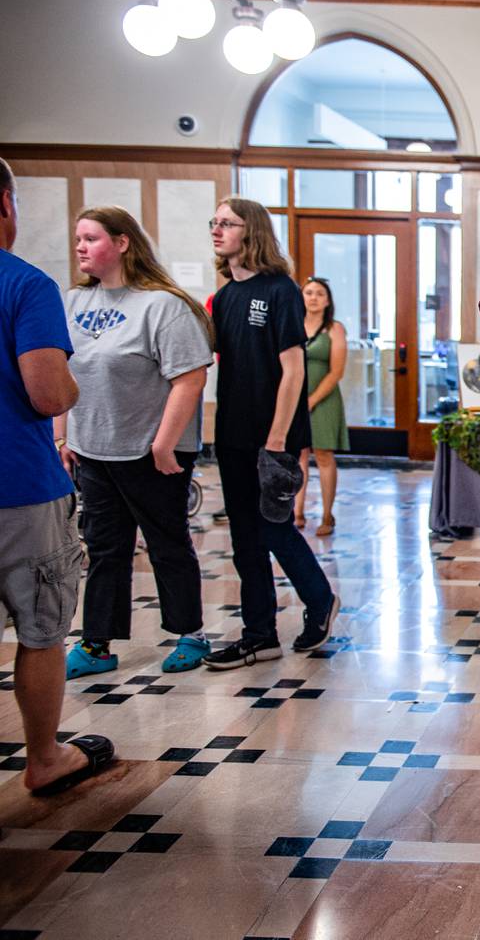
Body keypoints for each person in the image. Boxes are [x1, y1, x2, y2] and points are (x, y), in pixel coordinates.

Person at [57, 206, 214, 678]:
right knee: (104, 546)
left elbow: (190, 379)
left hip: (152, 451)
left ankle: (191, 634)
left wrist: (165, 444)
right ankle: (97, 644)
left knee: (167, 542)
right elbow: (61, 372)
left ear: (123, 242)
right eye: (78, 239)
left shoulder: (162, 305)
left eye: (91, 238)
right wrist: (63, 435)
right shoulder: (74, 302)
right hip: (94, 448)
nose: (81, 247)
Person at [0, 157, 114, 794]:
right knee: (41, 630)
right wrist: (71, 382)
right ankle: (43, 758)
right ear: (7, 206)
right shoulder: (26, 284)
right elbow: (48, 394)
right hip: (17, 488)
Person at [202, 196, 338, 670]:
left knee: (273, 528)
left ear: (252, 231)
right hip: (232, 432)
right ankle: (259, 635)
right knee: (244, 537)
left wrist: (278, 439)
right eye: (215, 222)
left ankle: (319, 601)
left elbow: (293, 370)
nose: (218, 230)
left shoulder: (280, 290)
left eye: (229, 223)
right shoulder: (224, 296)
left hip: (272, 436)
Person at [294, 275, 348, 536]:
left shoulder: (334, 329)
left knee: (323, 455)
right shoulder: (293, 324)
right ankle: (298, 512)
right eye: (309, 293)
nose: (313, 298)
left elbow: (337, 371)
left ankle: (327, 514)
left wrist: (312, 400)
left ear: (327, 301)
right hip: (295, 396)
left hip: (324, 398)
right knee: (299, 454)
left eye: (319, 294)